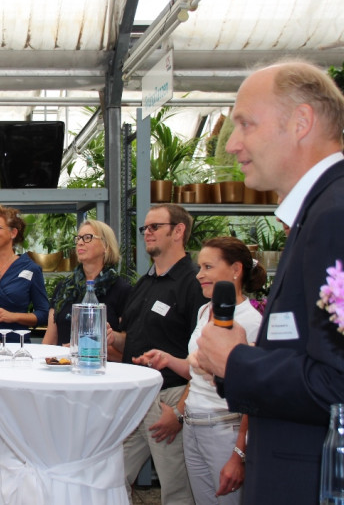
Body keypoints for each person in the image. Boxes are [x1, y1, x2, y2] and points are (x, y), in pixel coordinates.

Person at [194, 60, 344, 504]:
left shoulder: (334, 216)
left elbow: (337, 384)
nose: (233, 145)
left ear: (300, 122)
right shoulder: (318, 213)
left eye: (246, 124)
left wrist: (237, 361)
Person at [133, 236, 267, 504]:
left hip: (223, 429)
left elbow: (256, 395)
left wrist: (239, 454)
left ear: (236, 270)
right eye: (200, 268)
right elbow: (198, 372)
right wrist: (168, 359)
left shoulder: (250, 321)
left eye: (208, 267)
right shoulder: (205, 311)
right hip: (193, 427)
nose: (199, 276)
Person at [107, 203, 207, 504]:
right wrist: (115, 339)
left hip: (170, 398)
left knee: (176, 489)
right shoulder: (145, 282)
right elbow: (135, 340)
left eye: (154, 227)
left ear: (178, 231)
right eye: (144, 228)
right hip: (136, 399)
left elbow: (203, 357)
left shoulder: (194, 282)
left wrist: (179, 411)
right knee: (110, 477)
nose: (147, 233)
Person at [42, 218, 131, 361]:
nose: (80, 242)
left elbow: (127, 353)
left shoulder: (122, 290)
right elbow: (50, 340)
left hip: (102, 375)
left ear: (106, 246)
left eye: (88, 238)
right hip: (62, 370)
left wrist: (80, 348)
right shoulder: (64, 288)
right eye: (78, 238)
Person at [0, 204, 49, 343]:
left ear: (13, 233)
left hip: (16, 345)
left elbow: (44, 314)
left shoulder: (31, 269)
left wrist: (14, 316)